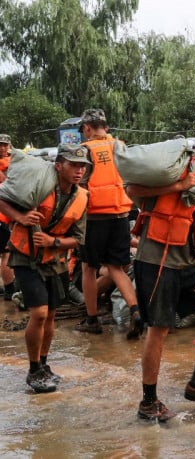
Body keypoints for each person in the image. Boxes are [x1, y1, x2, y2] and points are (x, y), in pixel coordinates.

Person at [126, 113, 195, 421]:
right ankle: (148, 401)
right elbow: (133, 190)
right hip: (157, 256)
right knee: (159, 329)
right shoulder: (177, 164)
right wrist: (175, 187)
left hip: (189, 257)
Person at [0, 144, 90, 393]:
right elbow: (2, 199)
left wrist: (54, 242)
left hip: (55, 260)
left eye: (82, 166)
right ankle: (32, 369)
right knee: (39, 313)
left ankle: (43, 364)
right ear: (59, 165)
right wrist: (20, 218)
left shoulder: (82, 197)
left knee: (50, 315)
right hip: (26, 257)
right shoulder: (38, 186)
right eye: (73, 165)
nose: (79, 170)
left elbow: (79, 239)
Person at [74, 109, 140, 338]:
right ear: (106, 127)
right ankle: (135, 311)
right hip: (121, 215)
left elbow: (79, 185)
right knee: (116, 267)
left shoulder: (85, 150)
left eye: (84, 129)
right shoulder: (120, 146)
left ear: (88, 128)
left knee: (88, 268)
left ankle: (92, 319)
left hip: (93, 217)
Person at [0, 134, 17, 301]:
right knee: (6, 254)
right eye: (0, 145)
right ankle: (9, 290)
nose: (2, 148)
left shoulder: (13, 162)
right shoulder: (13, 163)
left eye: (5, 145)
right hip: (3, 216)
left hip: (8, 215)